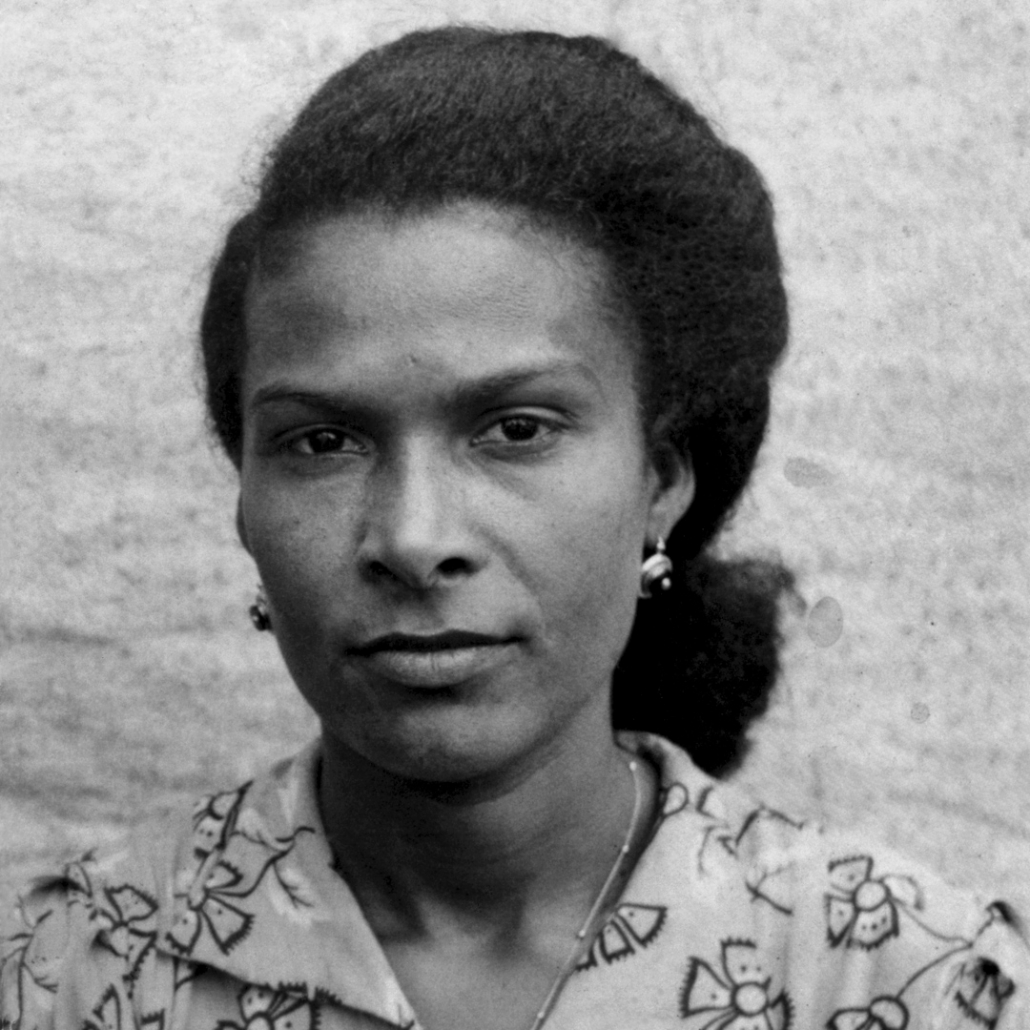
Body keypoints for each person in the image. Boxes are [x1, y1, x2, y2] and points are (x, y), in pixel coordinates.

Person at [1, 25, 1026, 1030]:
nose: (413, 538)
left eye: (516, 429)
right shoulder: (72, 980)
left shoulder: (907, 983)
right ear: (245, 498)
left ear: (662, 478)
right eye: (323, 441)